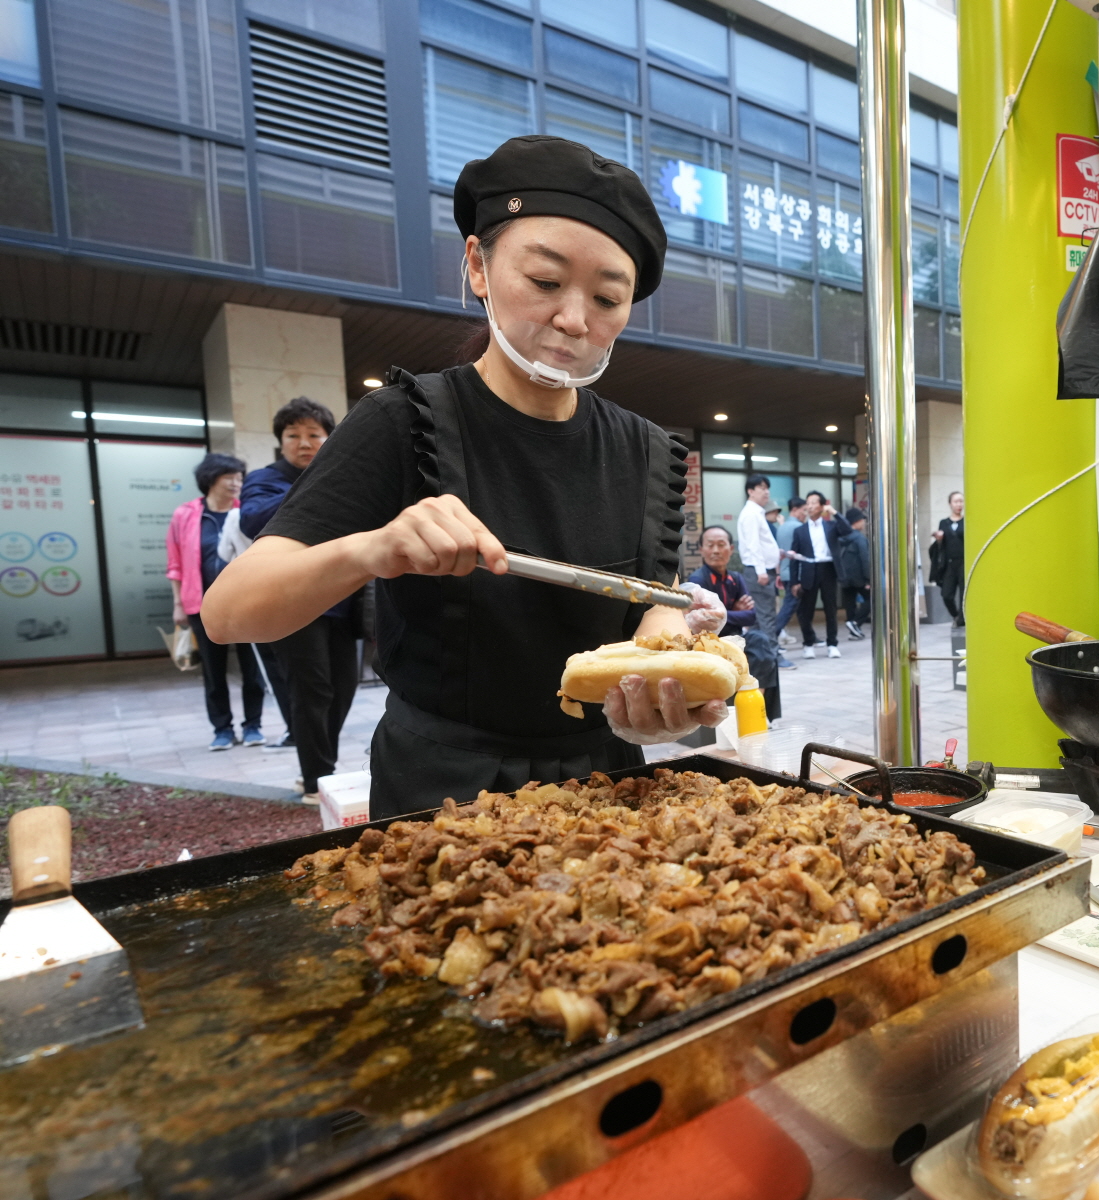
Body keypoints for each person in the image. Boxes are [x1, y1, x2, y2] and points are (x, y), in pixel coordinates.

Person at [202, 134, 725, 819]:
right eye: (545, 282)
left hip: (608, 791)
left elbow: (655, 608)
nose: (574, 319)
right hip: (441, 795)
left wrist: (661, 688)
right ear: (477, 265)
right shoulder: (403, 420)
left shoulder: (648, 451)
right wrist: (374, 548)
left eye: (607, 298)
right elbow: (230, 611)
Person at [237, 395, 358, 803]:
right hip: (293, 599)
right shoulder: (265, 478)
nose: (304, 443)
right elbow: (253, 518)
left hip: (344, 598)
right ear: (281, 441)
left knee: (343, 688)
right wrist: (319, 482)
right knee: (312, 690)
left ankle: (322, 769)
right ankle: (316, 781)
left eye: (314, 435)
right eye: (294, 435)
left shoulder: (343, 476)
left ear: (329, 439)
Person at [167, 452, 266, 750]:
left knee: (253, 669)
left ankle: (253, 726)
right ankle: (222, 729)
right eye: (230, 478)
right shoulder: (185, 515)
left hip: (245, 603)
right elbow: (175, 563)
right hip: (202, 604)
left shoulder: (247, 511)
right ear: (211, 480)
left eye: (239, 478)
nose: (237, 484)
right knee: (213, 671)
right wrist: (177, 603)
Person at [691, 525, 780, 696]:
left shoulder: (736, 578)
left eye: (721, 544)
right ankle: (752, 702)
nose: (716, 551)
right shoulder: (698, 579)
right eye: (710, 545)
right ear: (701, 549)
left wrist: (720, 613)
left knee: (762, 643)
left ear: (731, 549)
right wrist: (731, 610)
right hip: (711, 640)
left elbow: (751, 616)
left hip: (737, 637)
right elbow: (704, 618)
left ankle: (759, 701)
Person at [735, 473, 789, 667]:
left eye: (767, 488)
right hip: (759, 572)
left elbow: (762, 544)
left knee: (758, 618)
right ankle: (773, 657)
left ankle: (755, 655)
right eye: (762, 488)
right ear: (751, 491)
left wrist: (778, 553)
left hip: (762, 570)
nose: (767, 492)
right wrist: (761, 571)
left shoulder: (757, 512)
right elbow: (752, 545)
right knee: (766, 616)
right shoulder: (751, 514)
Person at [790, 490, 851, 657]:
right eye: (807, 503)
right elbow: (794, 558)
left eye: (813, 502)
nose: (809, 506)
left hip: (828, 569)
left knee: (830, 609)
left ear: (822, 506)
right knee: (806, 610)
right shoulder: (800, 530)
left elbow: (847, 530)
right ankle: (808, 644)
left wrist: (834, 513)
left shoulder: (831, 526)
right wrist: (795, 581)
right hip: (809, 570)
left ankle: (832, 644)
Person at [770, 495, 807, 654]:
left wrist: (778, 573)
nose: (805, 513)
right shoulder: (799, 527)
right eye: (803, 510)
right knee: (788, 608)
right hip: (795, 574)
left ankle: (810, 636)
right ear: (795, 509)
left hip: (784, 573)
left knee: (801, 607)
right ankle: (772, 639)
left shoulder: (782, 527)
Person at [931, 491, 966, 625]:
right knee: (946, 595)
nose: (959, 504)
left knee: (964, 594)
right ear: (950, 504)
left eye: (961, 501)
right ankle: (956, 615)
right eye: (956, 501)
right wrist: (939, 539)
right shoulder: (944, 523)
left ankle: (962, 621)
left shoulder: (966, 521)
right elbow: (941, 546)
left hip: (963, 562)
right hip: (949, 564)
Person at [837, 506, 871, 637]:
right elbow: (865, 559)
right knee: (871, 599)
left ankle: (853, 631)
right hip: (859, 577)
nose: (864, 522)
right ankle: (856, 623)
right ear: (855, 521)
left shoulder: (840, 537)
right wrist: (869, 579)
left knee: (850, 604)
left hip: (844, 576)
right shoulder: (860, 539)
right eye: (862, 519)